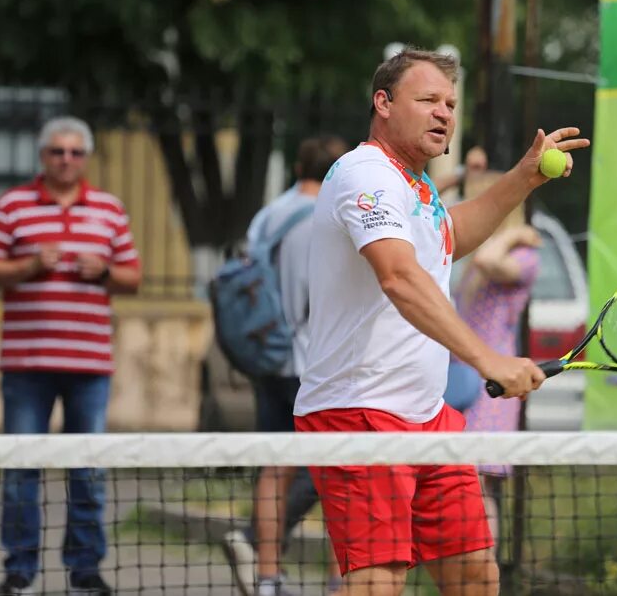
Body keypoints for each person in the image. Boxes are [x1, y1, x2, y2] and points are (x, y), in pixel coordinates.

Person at [293, 47, 589, 596]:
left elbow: (451, 235)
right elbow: (400, 277)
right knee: (379, 583)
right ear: (383, 103)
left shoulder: (417, 187)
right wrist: (489, 360)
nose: (444, 113)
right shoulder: (366, 173)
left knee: (475, 575)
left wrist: (524, 177)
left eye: (450, 103)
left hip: (428, 417)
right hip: (360, 414)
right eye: (427, 99)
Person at [0, 116, 142, 596]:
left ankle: (85, 570)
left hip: (90, 366)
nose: (65, 160)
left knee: (87, 470)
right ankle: (19, 571)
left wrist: (104, 272)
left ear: (84, 158)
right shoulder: (12, 206)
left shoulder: (109, 209)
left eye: (74, 152)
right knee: (20, 471)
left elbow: (133, 278)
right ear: (42, 156)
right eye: (56, 152)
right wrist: (28, 266)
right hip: (26, 365)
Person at [222, 135, 347, 596]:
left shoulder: (271, 213)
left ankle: (269, 575)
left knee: (275, 468)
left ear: (299, 165)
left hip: (270, 358)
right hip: (317, 364)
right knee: (339, 471)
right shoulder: (335, 216)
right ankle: (339, 580)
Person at [451, 171, 541, 547]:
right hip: (460, 378)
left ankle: (486, 571)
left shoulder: (523, 255)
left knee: (478, 483)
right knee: (456, 482)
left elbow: (490, 259)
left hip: (494, 384)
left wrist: (511, 233)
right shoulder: (469, 255)